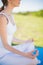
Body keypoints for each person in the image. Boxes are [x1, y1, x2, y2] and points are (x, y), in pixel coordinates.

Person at [0, 0, 41, 65]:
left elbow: (10, 37)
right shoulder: (2, 17)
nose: (20, 0)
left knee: (30, 43)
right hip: (3, 54)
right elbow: (5, 45)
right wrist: (25, 54)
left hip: (9, 50)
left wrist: (25, 41)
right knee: (32, 61)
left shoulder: (10, 15)